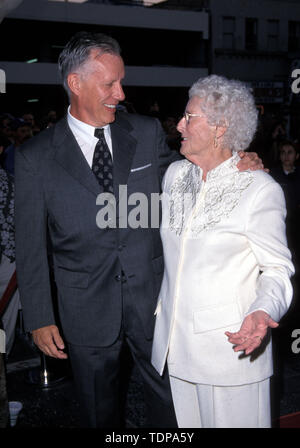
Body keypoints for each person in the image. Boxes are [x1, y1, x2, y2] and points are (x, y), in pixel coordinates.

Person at [14, 32, 263, 428]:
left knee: (172, 409)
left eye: (121, 80)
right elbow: (28, 246)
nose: (120, 92)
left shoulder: (145, 133)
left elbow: (190, 179)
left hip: (155, 303)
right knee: (99, 415)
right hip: (85, 311)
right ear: (75, 84)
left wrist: (235, 162)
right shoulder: (34, 157)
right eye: (109, 83)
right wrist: (40, 317)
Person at [151, 75, 294, 428]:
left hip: (230, 350)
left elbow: (277, 269)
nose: (179, 124)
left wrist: (263, 310)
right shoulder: (174, 176)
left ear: (220, 127)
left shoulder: (259, 188)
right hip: (177, 346)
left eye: (189, 116)